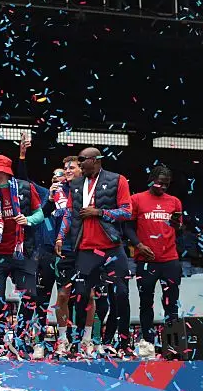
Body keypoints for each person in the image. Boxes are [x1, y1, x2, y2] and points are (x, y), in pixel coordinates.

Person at [58, 147, 133, 357]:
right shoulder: (75, 185)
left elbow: (127, 211)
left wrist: (99, 212)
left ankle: (122, 342)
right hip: (85, 248)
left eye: (83, 160)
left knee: (121, 293)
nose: (80, 163)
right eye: (79, 160)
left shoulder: (118, 180)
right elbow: (68, 214)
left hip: (111, 248)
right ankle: (81, 341)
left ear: (96, 160)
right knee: (81, 295)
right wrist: (60, 236)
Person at [0, 154, 44, 358]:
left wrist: (27, 219)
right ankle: (2, 340)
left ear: (2, 172)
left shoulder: (26, 188)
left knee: (31, 297)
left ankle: (20, 338)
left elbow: (40, 215)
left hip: (23, 252)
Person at [125, 165, 183, 358]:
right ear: (150, 180)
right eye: (159, 183)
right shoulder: (137, 199)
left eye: (166, 185)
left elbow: (179, 229)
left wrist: (177, 225)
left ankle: (172, 344)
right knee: (146, 302)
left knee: (171, 303)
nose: (162, 188)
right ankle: (147, 343)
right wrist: (138, 245)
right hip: (146, 260)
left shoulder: (175, 202)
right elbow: (127, 227)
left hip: (170, 260)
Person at [42, 155, 87, 356]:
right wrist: (51, 201)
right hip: (65, 249)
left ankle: (86, 340)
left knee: (88, 295)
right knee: (63, 295)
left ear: (82, 170)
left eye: (72, 167)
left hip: (86, 248)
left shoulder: (88, 189)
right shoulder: (57, 192)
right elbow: (46, 215)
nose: (68, 170)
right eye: (65, 168)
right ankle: (62, 339)